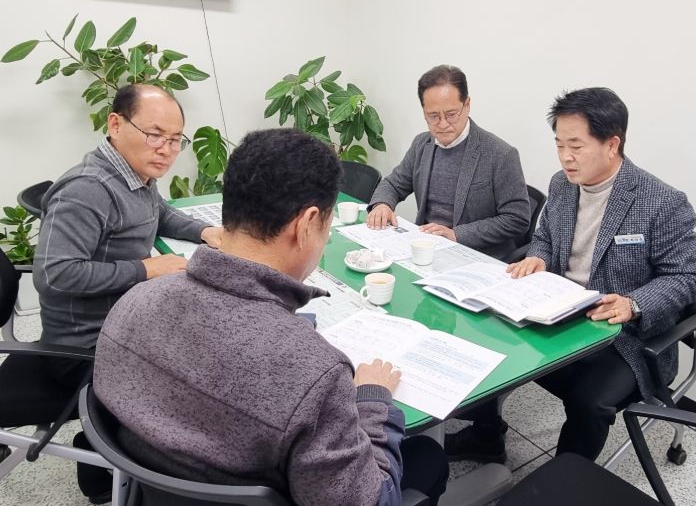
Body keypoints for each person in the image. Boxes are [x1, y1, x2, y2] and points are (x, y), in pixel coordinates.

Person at [93, 128, 449, 505]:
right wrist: (373, 400)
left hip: (156, 492)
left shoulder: (131, 304)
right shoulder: (317, 376)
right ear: (307, 225)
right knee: (428, 457)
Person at [445, 87, 696, 463]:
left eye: (576, 146)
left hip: (624, 338)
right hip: (560, 315)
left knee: (589, 402)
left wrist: (633, 304)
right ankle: (486, 438)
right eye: (559, 144)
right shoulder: (562, 184)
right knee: (487, 344)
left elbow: (686, 277)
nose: (566, 157)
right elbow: (546, 237)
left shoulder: (661, 202)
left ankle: (565, 480)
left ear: (611, 144)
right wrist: (538, 257)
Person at [32, 84, 222, 502]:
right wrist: (144, 269)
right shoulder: (88, 189)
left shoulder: (134, 173)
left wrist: (206, 231)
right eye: (154, 135)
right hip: (83, 347)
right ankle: (116, 459)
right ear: (116, 124)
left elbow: (159, 213)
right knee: (205, 371)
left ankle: (108, 444)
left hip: (122, 322)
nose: (166, 149)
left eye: (175, 139)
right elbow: (53, 274)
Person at [367, 64, 530, 260]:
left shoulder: (500, 154)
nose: (443, 124)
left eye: (451, 114)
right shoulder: (422, 144)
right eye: (433, 116)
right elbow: (393, 184)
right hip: (427, 249)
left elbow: (517, 219)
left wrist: (456, 235)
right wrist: (382, 204)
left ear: (467, 105)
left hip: (476, 256)